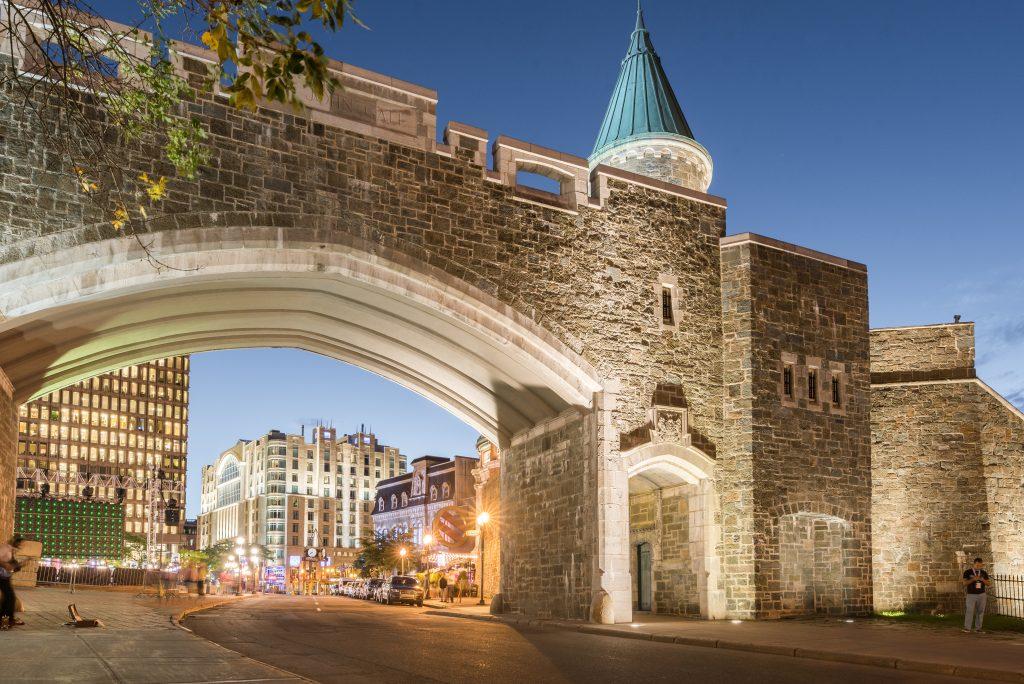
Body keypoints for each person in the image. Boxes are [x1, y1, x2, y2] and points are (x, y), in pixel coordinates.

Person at [0, 535, 25, 630]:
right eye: (20, 543)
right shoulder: (5, 548)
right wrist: (6, 565)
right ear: (16, 542)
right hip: (1, 577)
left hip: (4, 577)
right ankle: (6, 619)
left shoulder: (10, 549)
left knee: (9, 598)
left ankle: (6, 619)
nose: (20, 546)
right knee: (10, 598)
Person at [963, 557, 991, 633]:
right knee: (969, 610)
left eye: (980, 565)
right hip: (971, 594)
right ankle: (967, 628)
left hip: (982, 594)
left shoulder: (984, 573)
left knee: (980, 611)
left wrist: (983, 580)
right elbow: (964, 583)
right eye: (977, 565)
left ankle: (978, 628)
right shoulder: (967, 572)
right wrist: (973, 579)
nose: (978, 567)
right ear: (974, 564)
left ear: (982, 565)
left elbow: (988, 583)